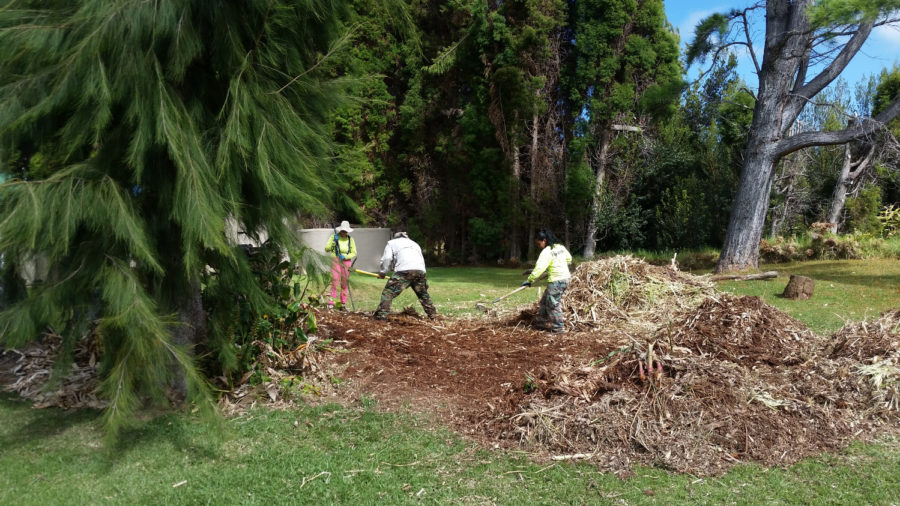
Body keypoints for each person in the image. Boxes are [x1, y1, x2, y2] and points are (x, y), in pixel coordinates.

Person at [374, 231, 437, 320]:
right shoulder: (414, 244)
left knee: (388, 293)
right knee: (423, 294)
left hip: (404, 271)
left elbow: (387, 258)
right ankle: (433, 316)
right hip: (420, 270)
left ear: (395, 237)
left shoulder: (391, 243)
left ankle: (381, 317)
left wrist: (382, 272)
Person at [522, 229, 572, 333]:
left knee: (552, 304)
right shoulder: (560, 247)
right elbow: (569, 259)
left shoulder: (546, 252)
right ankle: (541, 322)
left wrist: (530, 280)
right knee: (545, 300)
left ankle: (558, 327)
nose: (538, 245)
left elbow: (539, 268)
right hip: (566, 278)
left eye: (538, 243)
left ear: (544, 240)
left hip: (556, 280)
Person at [324, 220, 357, 310]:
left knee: (344, 283)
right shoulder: (333, 237)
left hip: (346, 262)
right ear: (340, 230)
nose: (344, 232)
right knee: (334, 281)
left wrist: (346, 256)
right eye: (343, 230)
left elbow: (354, 252)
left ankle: (343, 304)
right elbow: (327, 249)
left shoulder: (350, 239)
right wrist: (334, 242)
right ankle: (331, 303)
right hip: (336, 260)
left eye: (346, 231)